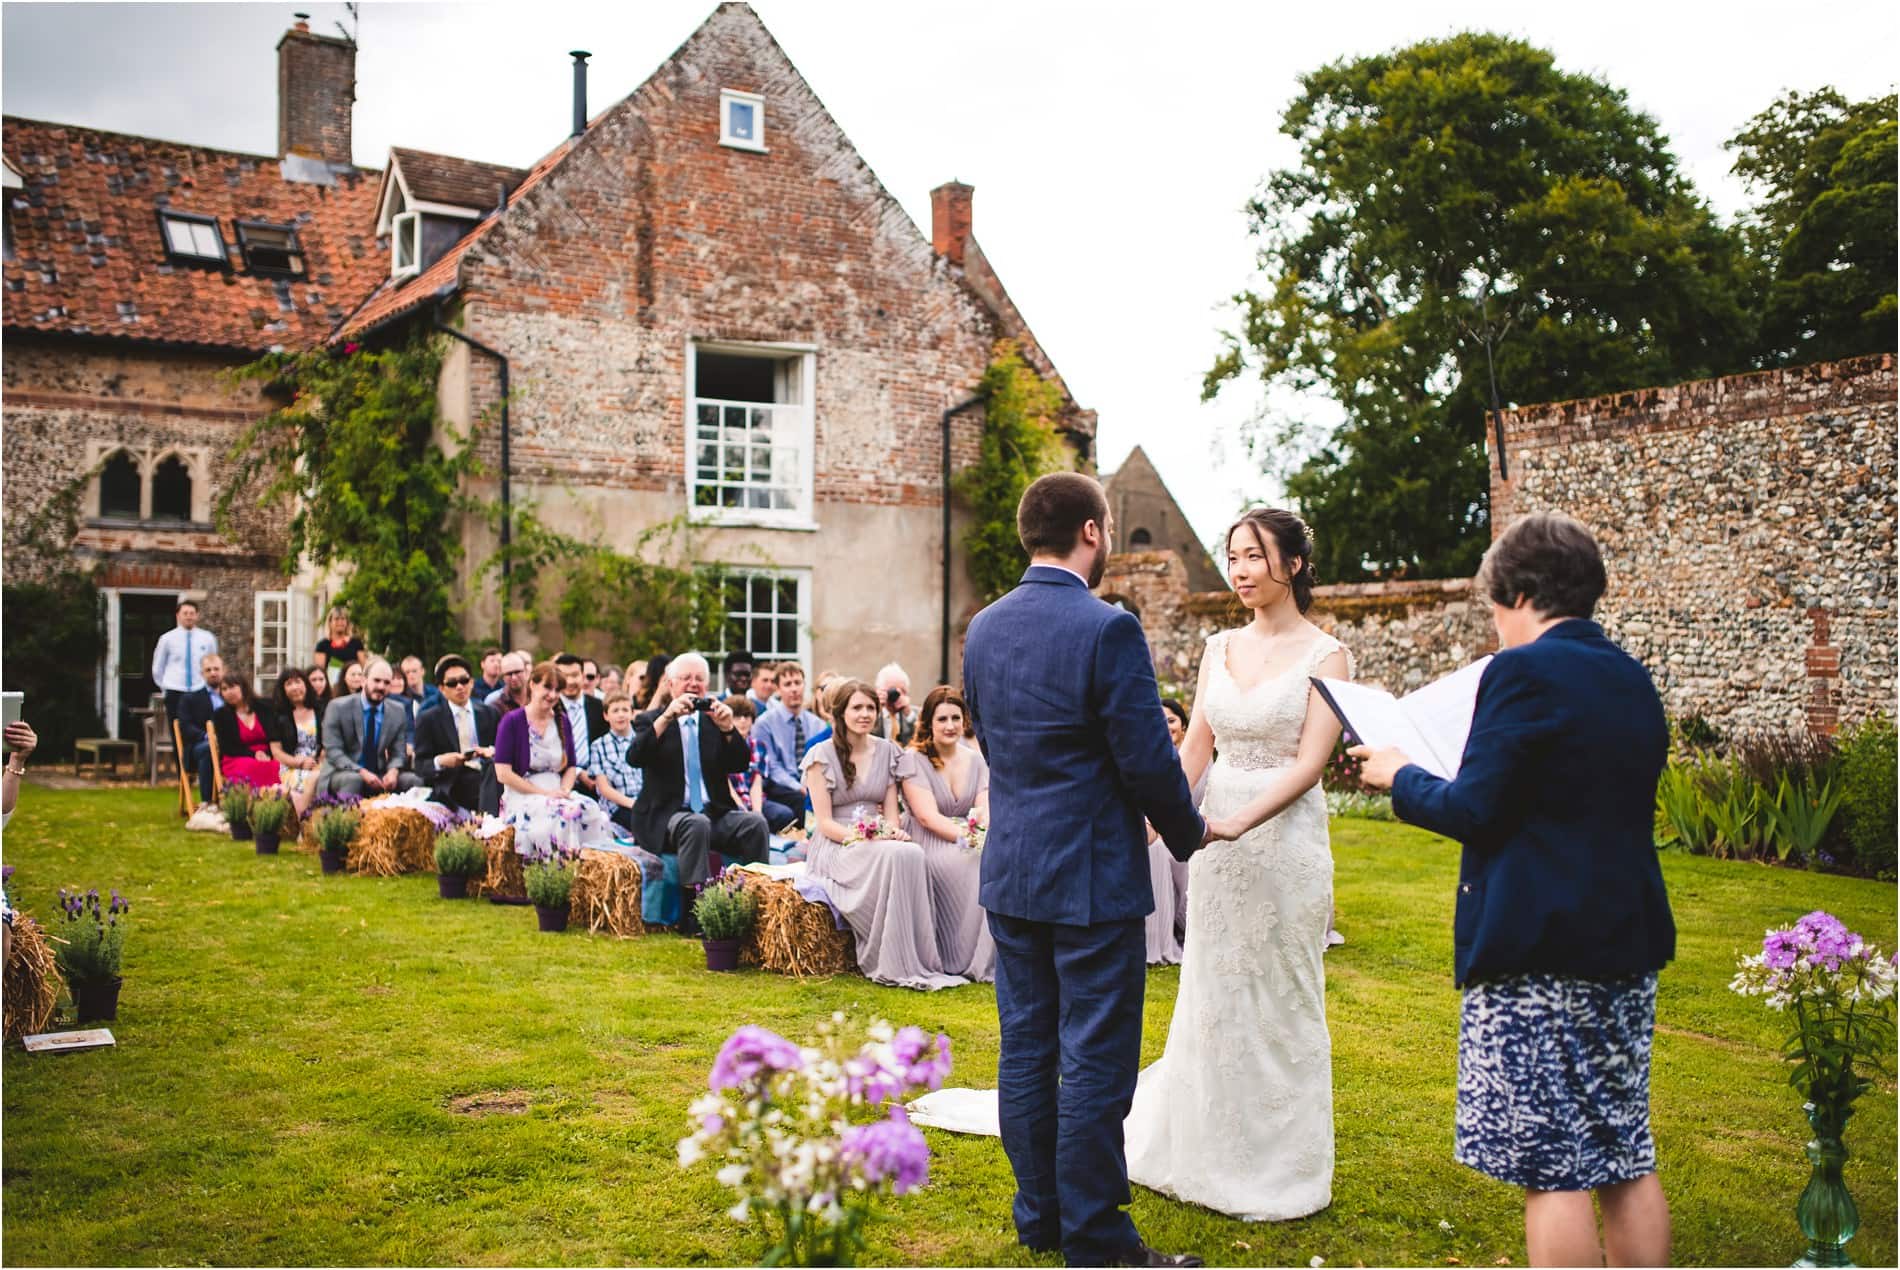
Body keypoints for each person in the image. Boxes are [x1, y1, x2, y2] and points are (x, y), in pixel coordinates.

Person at [1351, 512, 1674, 1269]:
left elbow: (1475, 809)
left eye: (1494, 603)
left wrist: (1400, 775)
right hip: (1626, 942)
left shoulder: (1521, 672)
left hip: (1542, 949)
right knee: (1623, 1147)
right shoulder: (1629, 674)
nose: (1494, 623)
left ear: (1521, 593)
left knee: (1551, 1166)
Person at [962, 471, 1205, 1266]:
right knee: (1095, 1059)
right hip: (1092, 877)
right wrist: (1187, 831)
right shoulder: (1109, 629)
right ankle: (1099, 1241)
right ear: (1094, 532)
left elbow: (994, 744)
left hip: (1015, 867)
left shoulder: (985, 628)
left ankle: (1042, 1218)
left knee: (1026, 1050)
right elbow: (1146, 758)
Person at [1120, 507, 1350, 1223]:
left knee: (1283, 995)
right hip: (1215, 846)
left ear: (1294, 564)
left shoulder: (1329, 656)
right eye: (1234, 556)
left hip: (1283, 847)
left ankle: (1284, 1163)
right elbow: (1192, 753)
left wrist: (1239, 822)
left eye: (1255, 556)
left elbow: (1312, 763)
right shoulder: (1218, 647)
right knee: (1216, 990)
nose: (1242, 570)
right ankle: (1206, 1146)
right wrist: (1161, 822)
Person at [801, 679, 963, 991]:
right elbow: (824, 823)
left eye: (870, 708)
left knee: (911, 852)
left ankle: (917, 958)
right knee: (894, 854)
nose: (865, 714)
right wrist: (863, 837)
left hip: (879, 835)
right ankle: (889, 959)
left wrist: (892, 833)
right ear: (841, 713)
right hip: (839, 841)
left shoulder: (888, 751)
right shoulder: (820, 755)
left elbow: (892, 814)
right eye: (857, 708)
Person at [627, 654, 769, 932]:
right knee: (696, 824)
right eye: (686, 678)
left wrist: (729, 730)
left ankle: (758, 900)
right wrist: (668, 717)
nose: (693, 684)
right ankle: (696, 912)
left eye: (699, 679)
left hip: (713, 812)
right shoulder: (652, 719)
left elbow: (740, 763)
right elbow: (635, 756)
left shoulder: (713, 721)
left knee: (755, 823)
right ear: (670, 684)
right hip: (666, 816)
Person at [491, 663, 654, 874]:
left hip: (558, 789)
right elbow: (502, 773)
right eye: (547, 688)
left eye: (557, 690)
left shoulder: (561, 721)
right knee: (562, 815)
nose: (552, 695)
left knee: (592, 811)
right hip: (523, 792)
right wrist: (544, 793)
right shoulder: (512, 721)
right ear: (532, 685)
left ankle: (591, 875)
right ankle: (556, 874)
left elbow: (570, 767)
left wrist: (565, 791)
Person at [898, 686, 994, 982]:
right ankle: (955, 958)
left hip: (969, 836)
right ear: (928, 722)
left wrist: (981, 832)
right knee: (972, 863)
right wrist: (968, 838)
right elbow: (926, 816)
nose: (950, 725)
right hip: (929, 839)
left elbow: (985, 803)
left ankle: (986, 959)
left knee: (992, 857)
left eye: (956, 717)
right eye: (942, 719)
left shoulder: (975, 759)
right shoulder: (913, 759)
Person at [315, 658, 420, 798]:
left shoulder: (397, 711)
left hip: (379, 773)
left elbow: (398, 752)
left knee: (414, 780)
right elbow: (334, 752)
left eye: (386, 682)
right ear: (364, 680)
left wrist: (393, 771)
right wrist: (362, 772)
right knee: (354, 780)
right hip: (341, 772)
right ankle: (345, 819)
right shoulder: (338, 707)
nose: (381, 686)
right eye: (376, 680)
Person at [414, 655, 499, 813]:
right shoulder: (429, 718)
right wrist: (442, 761)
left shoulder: (490, 713)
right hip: (452, 781)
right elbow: (420, 765)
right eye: (452, 683)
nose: (460, 687)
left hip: (488, 773)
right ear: (442, 689)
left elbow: (502, 749)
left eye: (464, 681)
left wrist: (491, 752)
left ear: (472, 682)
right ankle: (488, 825)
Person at [753, 662, 826, 829]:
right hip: (780, 786)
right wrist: (799, 786)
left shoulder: (817, 724)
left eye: (798, 683)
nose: (794, 689)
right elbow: (771, 766)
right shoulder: (764, 724)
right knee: (804, 801)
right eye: (787, 684)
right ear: (778, 690)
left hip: (811, 781)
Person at [151, 598, 219, 726]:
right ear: (178, 615)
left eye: (192, 613)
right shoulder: (167, 639)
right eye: (185, 613)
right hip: (175, 689)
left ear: (197, 615)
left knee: (200, 726)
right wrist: (165, 687)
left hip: (199, 688)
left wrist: (209, 686)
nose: (189, 617)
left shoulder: (208, 638)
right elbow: (157, 667)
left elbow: (213, 663)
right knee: (177, 728)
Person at [212, 672, 282, 792]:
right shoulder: (221, 715)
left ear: (243, 686)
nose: (229, 692)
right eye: (224, 689)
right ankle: (254, 803)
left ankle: (274, 801)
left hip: (268, 754)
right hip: (237, 757)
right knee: (250, 767)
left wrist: (267, 753)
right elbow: (227, 747)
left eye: (233, 686)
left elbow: (275, 735)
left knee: (276, 766)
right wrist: (253, 754)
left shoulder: (265, 707)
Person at [270, 668, 323, 816]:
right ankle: (304, 822)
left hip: (318, 762)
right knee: (309, 780)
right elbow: (276, 751)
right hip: (291, 765)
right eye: (289, 684)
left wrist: (319, 761)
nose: (294, 687)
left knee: (321, 777)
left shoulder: (320, 710)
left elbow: (328, 743)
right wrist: (298, 763)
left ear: (305, 684)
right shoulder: (279, 716)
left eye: (298, 682)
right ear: (283, 690)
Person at [587, 692, 643, 833]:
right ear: (606, 716)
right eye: (615, 711)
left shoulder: (642, 741)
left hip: (644, 801)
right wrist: (632, 804)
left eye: (625, 710)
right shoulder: (598, 746)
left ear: (632, 713)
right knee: (641, 823)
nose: (621, 715)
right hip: (618, 807)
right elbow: (604, 789)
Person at [177, 652, 228, 804]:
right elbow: (185, 727)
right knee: (208, 748)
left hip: (229, 745)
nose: (213, 673)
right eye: (208, 670)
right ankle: (207, 802)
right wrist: (209, 736)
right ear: (202, 674)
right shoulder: (189, 699)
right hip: (199, 747)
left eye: (216, 669)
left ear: (223, 671)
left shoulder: (232, 697)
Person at [553, 652, 606, 788]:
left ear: (582, 676)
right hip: (559, 780)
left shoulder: (599, 706)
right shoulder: (550, 708)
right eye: (565, 676)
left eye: (575, 675)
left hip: (597, 780)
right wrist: (577, 772)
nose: (570, 681)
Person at [313, 610, 367, 686]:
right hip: (333, 686)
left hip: (354, 683)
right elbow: (320, 671)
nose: (340, 622)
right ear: (330, 622)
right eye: (337, 619)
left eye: (343, 619)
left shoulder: (356, 643)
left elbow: (364, 667)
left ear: (347, 622)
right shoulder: (322, 645)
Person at [874, 662, 919, 746]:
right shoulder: (872, 713)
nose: (898, 695)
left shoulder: (916, 714)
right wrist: (876, 708)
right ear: (879, 690)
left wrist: (908, 714)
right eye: (893, 690)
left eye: (903, 690)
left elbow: (922, 736)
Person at [484, 651, 531, 715]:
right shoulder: (496, 706)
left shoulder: (536, 698)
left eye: (517, 672)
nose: (514, 677)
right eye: (509, 674)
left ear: (526, 671)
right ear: (503, 676)